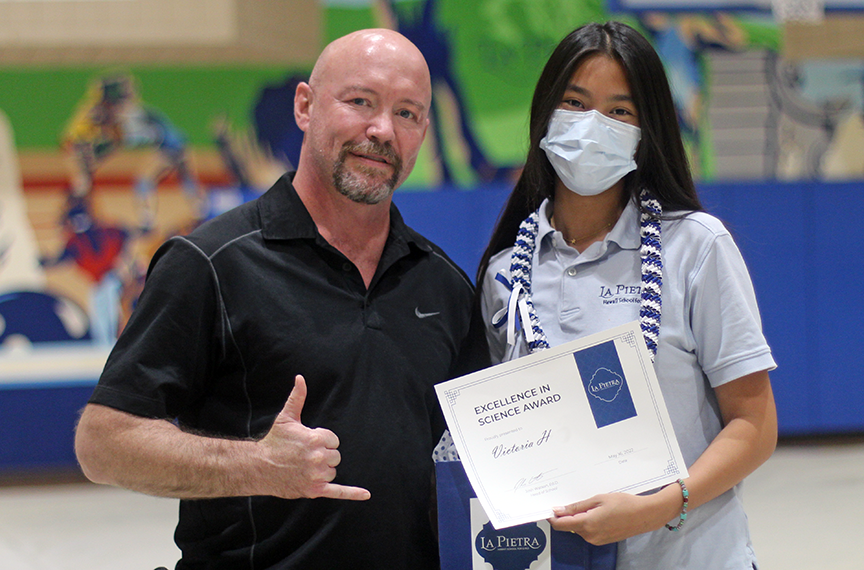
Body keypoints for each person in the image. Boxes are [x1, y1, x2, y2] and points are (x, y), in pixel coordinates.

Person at [75, 28, 487, 570]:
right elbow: (103, 443)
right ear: (305, 106)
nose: (382, 130)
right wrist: (258, 466)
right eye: (360, 101)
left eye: (407, 114)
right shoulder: (212, 264)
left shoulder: (445, 287)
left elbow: (482, 459)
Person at [475, 21, 777, 570]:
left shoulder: (697, 248)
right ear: (545, 113)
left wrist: (656, 507)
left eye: (619, 111)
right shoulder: (505, 275)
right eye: (575, 102)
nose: (593, 126)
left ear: (647, 129)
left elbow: (754, 424)